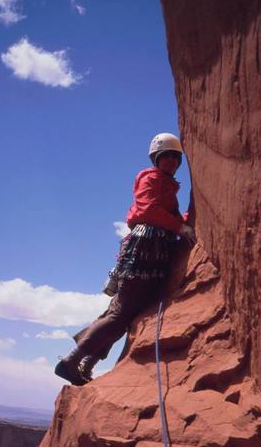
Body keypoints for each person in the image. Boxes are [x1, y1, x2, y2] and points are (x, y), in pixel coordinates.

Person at [54, 132, 196, 385]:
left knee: (126, 312)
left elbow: (166, 213)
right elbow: (147, 209)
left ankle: (86, 363)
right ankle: (71, 361)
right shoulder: (150, 177)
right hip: (146, 248)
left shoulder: (165, 184)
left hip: (153, 248)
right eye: (167, 157)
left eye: (176, 158)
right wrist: (179, 227)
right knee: (121, 313)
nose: (172, 162)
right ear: (156, 158)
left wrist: (185, 220)